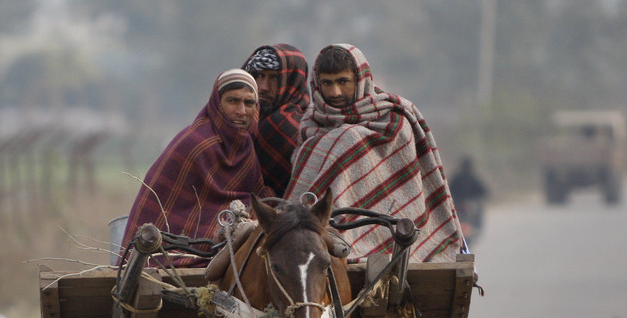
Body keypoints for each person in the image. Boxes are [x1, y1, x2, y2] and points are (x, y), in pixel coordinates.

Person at [286, 44, 464, 262]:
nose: (335, 93)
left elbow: (409, 192)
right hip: (319, 240)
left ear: (361, 80)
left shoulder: (394, 120)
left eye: (343, 82)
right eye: (327, 83)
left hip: (395, 237)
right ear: (317, 84)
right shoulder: (310, 122)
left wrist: (346, 140)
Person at [121, 69, 272, 262]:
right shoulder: (195, 143)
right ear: (217, 103)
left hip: (224, 242)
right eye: (233, 101)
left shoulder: (246, 147)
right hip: (172, 252)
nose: (242, 111)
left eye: (249, 103)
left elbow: (247, 198)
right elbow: (164, 211)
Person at [241, 43, 310, 195]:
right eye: (259, 76)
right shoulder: (244, 117)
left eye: (274, 78)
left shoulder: (286, 126)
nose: (264, 87)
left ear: (292, 80)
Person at [449, 155, 490, 241]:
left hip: (457, 203)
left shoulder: (456, 177)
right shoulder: (473, 178)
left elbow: (448, 190)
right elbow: (484, 191)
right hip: (469, 204)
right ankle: (476, 228)